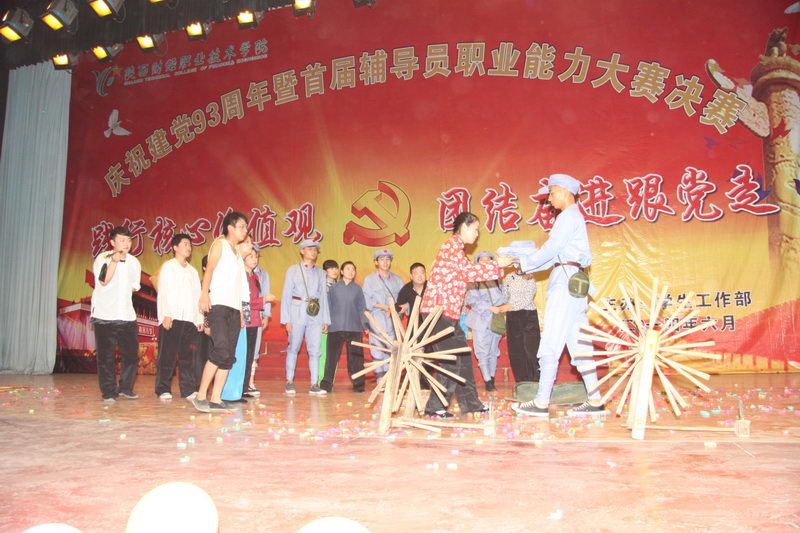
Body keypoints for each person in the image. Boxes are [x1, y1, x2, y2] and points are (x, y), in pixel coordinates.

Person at [509, 174, 605, 417]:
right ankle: (595, 399)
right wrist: (523, 263)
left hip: (565, 284)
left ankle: (541, 402)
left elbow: (550, 250)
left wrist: (524, 261)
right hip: (574, 283)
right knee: (579, 344)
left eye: (551, 193)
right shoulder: (574, 217)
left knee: (551, 341)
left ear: (563, 191)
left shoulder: (567, 217)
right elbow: (554, 256)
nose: (549, 199)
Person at [420, 212, 513, 418]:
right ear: (463, 227)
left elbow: (467, 271)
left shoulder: (458, 251)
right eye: (475, 229)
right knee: (451, 361)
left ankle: (471, 403)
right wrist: (497, 265)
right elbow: (469, 273)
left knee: (463, 358)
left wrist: (496, 266)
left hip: (449, 314)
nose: (477, 234)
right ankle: (435, 406)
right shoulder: (450, 247)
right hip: (437, 314)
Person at [192, 211, 249, 413]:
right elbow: (209, 269)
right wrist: (204, 295)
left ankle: (216, 398)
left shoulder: (237, 255)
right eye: (241, 226)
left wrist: (241, 312)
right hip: (218, 306)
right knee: (221, 349)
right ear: (230, 227)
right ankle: (200, 396)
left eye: (245, 227)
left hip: (234, 309)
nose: (245, 230)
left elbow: (240, 286)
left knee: (228, 355)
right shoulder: (220, 244)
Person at [90, 226, 142, 402]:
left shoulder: (134, 262)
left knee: (131, 355)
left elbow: (134, 287)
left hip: (127, 316)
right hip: (105, 315)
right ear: (112, 242)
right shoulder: (102, 258)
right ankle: (109, 392)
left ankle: (126, 388)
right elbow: (103, 280)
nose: (126, 244)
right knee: (106, 357)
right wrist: (114, 261)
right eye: (122, 240)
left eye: (128, 240)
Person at [154, 233, 203, 401]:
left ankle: (187, 390)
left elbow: (197, 296)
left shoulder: (193, 271)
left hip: (189, 319)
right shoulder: (168, 267)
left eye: (190, 244)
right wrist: (166, 314)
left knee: (187, 357)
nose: (188, 247)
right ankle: (163, 389)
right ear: (175, 247)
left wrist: (199, 319)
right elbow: (163, 292)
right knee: (167, 356)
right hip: (171, 318)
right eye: (185, 244)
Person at [280, 239, 330, 396]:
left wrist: (326, 320)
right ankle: (289, 381)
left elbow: (324, 297)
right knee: (293, 347)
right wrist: (286, 319)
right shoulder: (293, 270)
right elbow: (286, 294)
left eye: (315, 250)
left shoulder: (321, 273)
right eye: (309, 249)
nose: (313, 252)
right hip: (297, 312)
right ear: (302, 251)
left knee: (315, 349)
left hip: (315, 313)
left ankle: (314, 384)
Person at [320, 261, 368, 393]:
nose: (351, 272)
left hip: (354, 328)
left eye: (353, 269)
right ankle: (326, 385)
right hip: (335, 327)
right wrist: (325, 322)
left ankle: (359, 385)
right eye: (348, 269)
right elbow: (328, 307)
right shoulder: (333, 288)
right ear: (341, 272)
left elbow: (362, 308)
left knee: (356, 359)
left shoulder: (358, 289)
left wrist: (365, 325)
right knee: (331, 358)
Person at [465, 251, 508, 392]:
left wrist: (501, 306)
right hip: (480, 320)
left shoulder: (498, 280)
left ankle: (492, 378)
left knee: (493, 351)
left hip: (495, 320)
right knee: (482, 351)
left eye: (488, 260)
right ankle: (487, 381)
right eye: (482, 260)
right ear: (477, 263)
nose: (485, 263)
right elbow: (471, 300)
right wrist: (489, 307)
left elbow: (504, 297)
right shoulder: (473, 281)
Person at [362, 249, 405, 381]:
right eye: (381, 259)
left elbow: (403, 300)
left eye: (387, 259)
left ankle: (391, 380)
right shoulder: (369, 279)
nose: (385, 262)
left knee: (392, 350)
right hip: (377, 317)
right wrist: (384, 307)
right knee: (378, 350)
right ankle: (381, 380)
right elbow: (366, 299)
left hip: (393, 319)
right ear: (376, 262)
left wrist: (399, 309)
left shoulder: (398, 280)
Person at [500, 268, 541, 384]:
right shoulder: (509, 277)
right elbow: (505, 296)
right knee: (516, 350)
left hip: (528, 314)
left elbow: (528, 298)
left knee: (531, 349)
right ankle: (521, 381)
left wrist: (511, 306)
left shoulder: (530, 277)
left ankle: (535, 380)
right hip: (512, 316)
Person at [247, 249, 275, 395]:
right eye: (251, 256)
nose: (254, 259)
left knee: (254, 349)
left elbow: (266, 294)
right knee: (242, 349)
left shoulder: (261, 274)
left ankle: (250, 382)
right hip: (244, 315)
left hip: (257, 314)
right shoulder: (240, 273)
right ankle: (241, 383)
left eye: (256, 256)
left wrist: (266, 315)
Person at [317, 259, 340, 386]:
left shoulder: (339, 286)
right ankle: (321, 379)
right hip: (324, 324)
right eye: (331, 268)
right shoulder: (321, 287)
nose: (334, 271)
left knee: (334, 354)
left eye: (336, 268)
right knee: (323, 353)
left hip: (337, 325)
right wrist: (323, 321)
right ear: (325, 271)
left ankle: (330, 380)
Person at [396, 262, 427, 327]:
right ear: (411, 276)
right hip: (413, 326)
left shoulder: (432, 287)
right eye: (416, 273)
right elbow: (399, 306)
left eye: (422, 273)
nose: (420, 276)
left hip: (431, 325)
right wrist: (400, 309)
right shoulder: (406, 289)